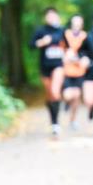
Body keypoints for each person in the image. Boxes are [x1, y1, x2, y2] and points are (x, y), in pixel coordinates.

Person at [30, 7, 66, 136]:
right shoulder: (41, 31)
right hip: (45, 66)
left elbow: (69, 44)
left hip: (59, 66)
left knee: (56, 92)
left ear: (57, 16)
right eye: (48, 16)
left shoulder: (62, 30)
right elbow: (31, 45)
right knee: (49, 94)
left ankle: (56, 123)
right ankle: (53, 121)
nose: (51, 18)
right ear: (45, 18)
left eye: (53, 16)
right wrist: (41, 42)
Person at [60, 15, 88, 130]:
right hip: (66, 71)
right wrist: (65, 56)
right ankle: (66, 103)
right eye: (74, 23)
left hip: (79, 71)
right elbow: (60, 50)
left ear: (82, 25)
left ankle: (73, 120)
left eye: (79, 23)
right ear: (71, 24)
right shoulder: (65, 35)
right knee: (68, 95)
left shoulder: (85, 37)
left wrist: (82, 59)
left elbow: (87, 52)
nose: (76, 26)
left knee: (76, 96)